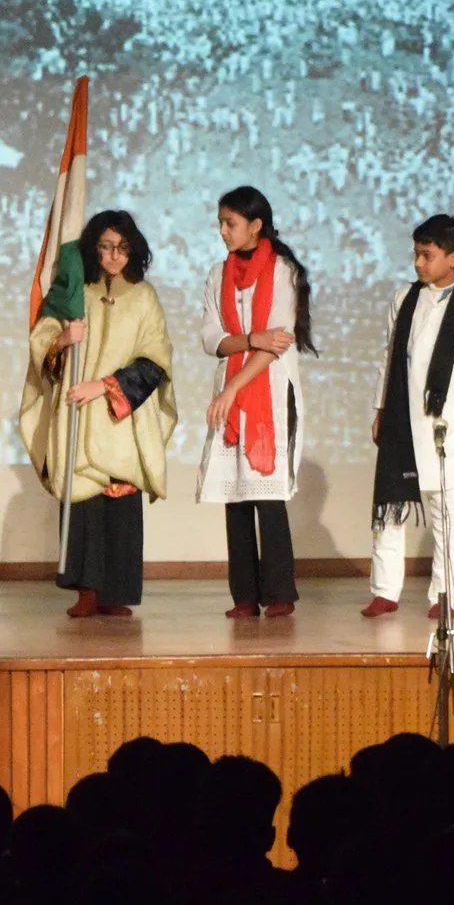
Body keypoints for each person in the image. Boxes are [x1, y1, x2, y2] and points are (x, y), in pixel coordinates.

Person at [19, 210, 178, 618]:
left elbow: (156, 358)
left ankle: (116, 593)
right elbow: (42, 341)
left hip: (120, 418)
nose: (114, 256)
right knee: (84, 504)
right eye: (105, 247)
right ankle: (86, 589)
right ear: (93, 248)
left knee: (120, 510)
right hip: (78, 414)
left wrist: (105, 387)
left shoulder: (143, 297)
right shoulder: (76, 293)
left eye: (122, 248)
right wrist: (62, 339)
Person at [364, 214, 454, 619]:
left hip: (450, 425)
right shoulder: (405, 298)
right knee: (390, 507)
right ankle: (385, 590)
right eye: (416, 253)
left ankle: (445, 594)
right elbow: (389, 359)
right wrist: (381, 409)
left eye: (427, 255)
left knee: (447, 512)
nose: (418, 263)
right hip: (402, 419)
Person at [199, 186, 315, 618]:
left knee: (268, 495)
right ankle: (244, 596)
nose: (222, 231)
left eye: (230, 223)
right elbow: (212, 338)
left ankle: (280, 592)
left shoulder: (283, 271)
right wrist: (250, 339)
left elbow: (277, 343)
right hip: (232, 390)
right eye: (220, 223)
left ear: (255, 225)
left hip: (270, 392)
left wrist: (234, 386)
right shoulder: (218, 275)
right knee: (236, 494)